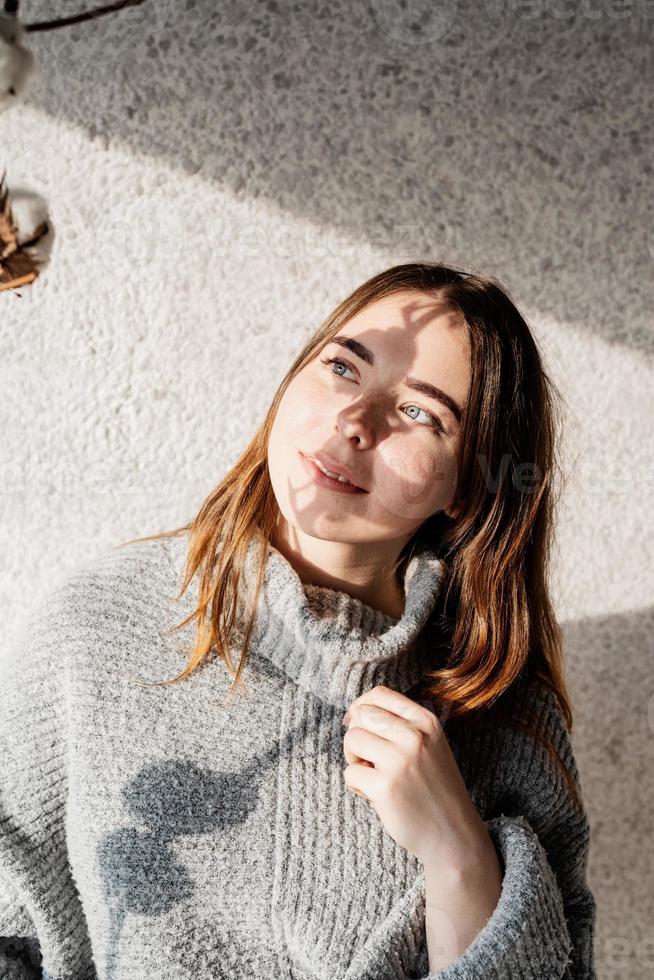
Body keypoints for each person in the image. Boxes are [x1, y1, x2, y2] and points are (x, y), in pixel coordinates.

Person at [0, 262, 597, 979]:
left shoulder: (506, 720)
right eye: (345, 367)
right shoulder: (98, 624)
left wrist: (459, 855)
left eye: (419, 413)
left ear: (468, 490)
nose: (355, 421)